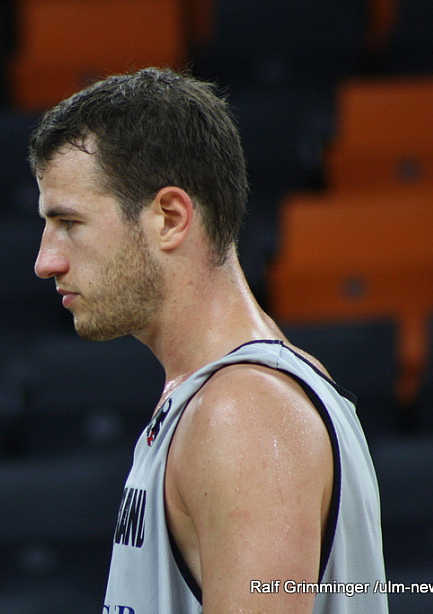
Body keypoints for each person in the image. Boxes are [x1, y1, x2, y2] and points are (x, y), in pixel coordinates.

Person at [28, 67, 387, 613]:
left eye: (69, 223)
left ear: (170, 218)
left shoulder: (245, 414)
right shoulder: (222, 395)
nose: (45, 261)